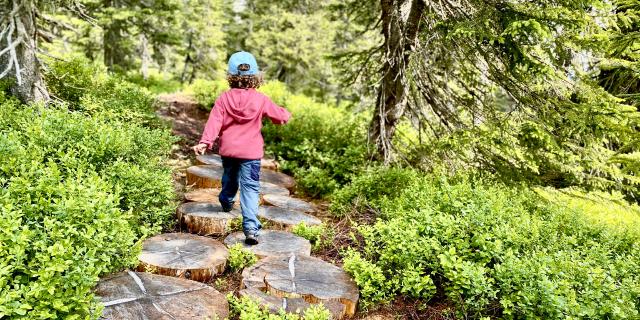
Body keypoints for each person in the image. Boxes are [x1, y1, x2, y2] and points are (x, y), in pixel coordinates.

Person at [192, 51, 291, 245]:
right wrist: (285, 114)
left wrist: (205, 142)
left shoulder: (224, 98)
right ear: (255, 77)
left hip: (229, 150)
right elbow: (279, 117)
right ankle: (251, 228)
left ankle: (226, 200)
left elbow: (215, 121)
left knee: (229, 178)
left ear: (231, 76)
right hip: (251, 153)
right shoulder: (260, 99)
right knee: (251, 187)